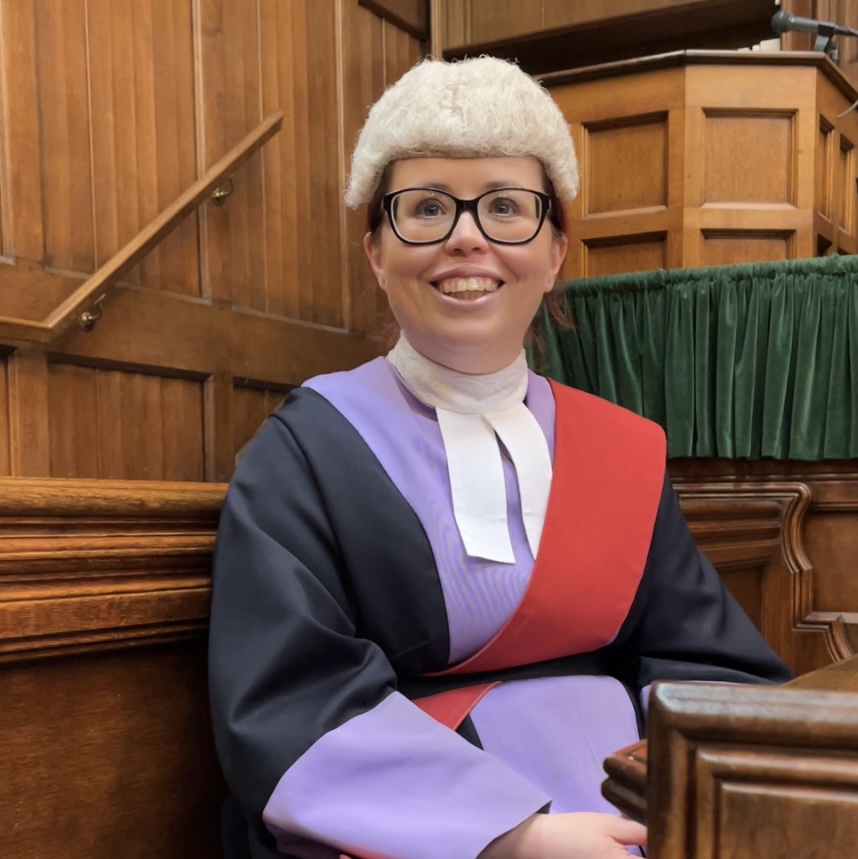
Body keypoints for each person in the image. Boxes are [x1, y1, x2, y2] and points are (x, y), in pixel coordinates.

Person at [208, 55, 792, 859]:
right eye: (426, 208)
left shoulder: (619, 446)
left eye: (506, 207)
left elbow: (700, 658)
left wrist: (677, 799)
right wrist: (513, 837)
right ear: (376, 249)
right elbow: (289, 698)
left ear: (555, 250)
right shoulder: (307, 447)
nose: (466, 238)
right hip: (410, 830)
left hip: (627, 807)